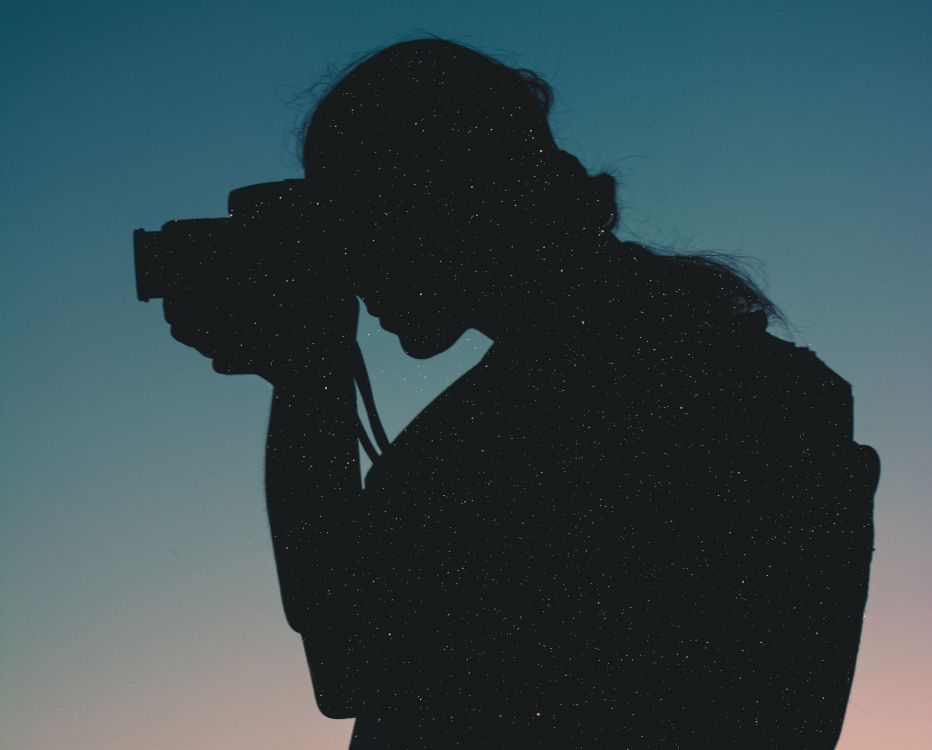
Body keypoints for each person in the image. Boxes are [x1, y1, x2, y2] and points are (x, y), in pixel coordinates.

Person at [163, 38, 879, 749]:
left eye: (350, 218)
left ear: (434, 201)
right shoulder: (721, 372)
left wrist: (308, 378)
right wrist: (308, 371)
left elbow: (356, 660)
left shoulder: (552, 411)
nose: (344, 261)